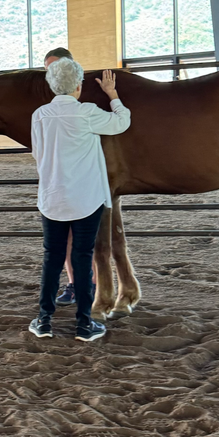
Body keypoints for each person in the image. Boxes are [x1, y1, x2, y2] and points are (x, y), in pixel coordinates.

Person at [30, 58, 131, 341]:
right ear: (78, 86)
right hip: (86, 199)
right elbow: (121, 123)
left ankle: (44, 320)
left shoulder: (39, 115)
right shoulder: (87, 112)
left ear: (52, 86)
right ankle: (84, 324)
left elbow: (38, 154)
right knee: (83, 258)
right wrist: (113, 95)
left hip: (52, 198)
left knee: (52, 258)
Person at [42, 48, 84, 307]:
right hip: (63, 185)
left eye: (56, 67)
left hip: (77, 183)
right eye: (48, 70)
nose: (53, 74)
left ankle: (86, 284)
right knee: (68, 241)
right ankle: (75, 285)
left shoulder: (84, 106)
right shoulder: (45, 111)